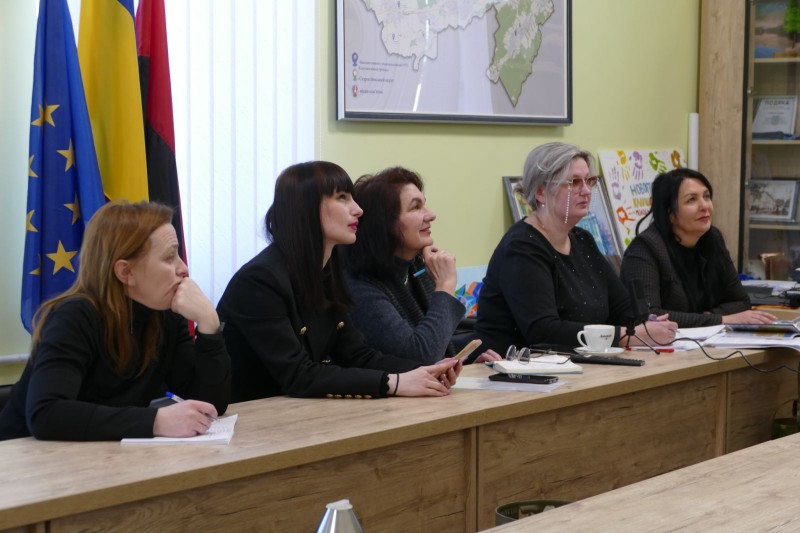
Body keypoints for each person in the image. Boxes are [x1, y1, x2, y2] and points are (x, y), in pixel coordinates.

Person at [216, 161, 461, 402]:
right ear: (307, 208)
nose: (358, 210)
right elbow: (299, 375)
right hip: (253, 417)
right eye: (342, 198)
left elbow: (357, 355)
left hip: (298, 411)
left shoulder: (327, 271)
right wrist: (394, 382)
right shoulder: (259, 281)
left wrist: (424, 371)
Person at [0, 201, 230, 441]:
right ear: (126, 272)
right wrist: (155, 421)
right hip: (23, 455)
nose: (183, 269)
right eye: (170, 257)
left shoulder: (165, 313)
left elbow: (210, 406)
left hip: (104, 455)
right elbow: (46, 414)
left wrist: (208, 323)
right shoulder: (74, 317)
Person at [474, 142, 677, 352]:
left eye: (589, 181)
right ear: (541, 192)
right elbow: (543, 331)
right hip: (516, 366)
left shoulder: (582, 240)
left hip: (577, 363)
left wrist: (647, 324)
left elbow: (623, 308)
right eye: (573, 182)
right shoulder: (521, 247)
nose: (587, 191)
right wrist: (628, 336)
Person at [345, 166, 501, 364]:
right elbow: (419, 357)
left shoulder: (415, 268)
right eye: (415, 207)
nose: (431, 215)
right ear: (384, 223)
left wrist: (463, 362)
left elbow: (437, 348)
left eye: (424, 205)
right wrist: (445, 285)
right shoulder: (359, 286)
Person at [620, 169, 775, 327]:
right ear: (669, 212)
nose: (704, 206)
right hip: (668, 342)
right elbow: (649, 317)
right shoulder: (644, 249)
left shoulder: (713, 238)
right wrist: (721, 319)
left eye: (706, 197)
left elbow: (741, 302)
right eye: (691, 200)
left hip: (707, 339)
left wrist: (709, 316)